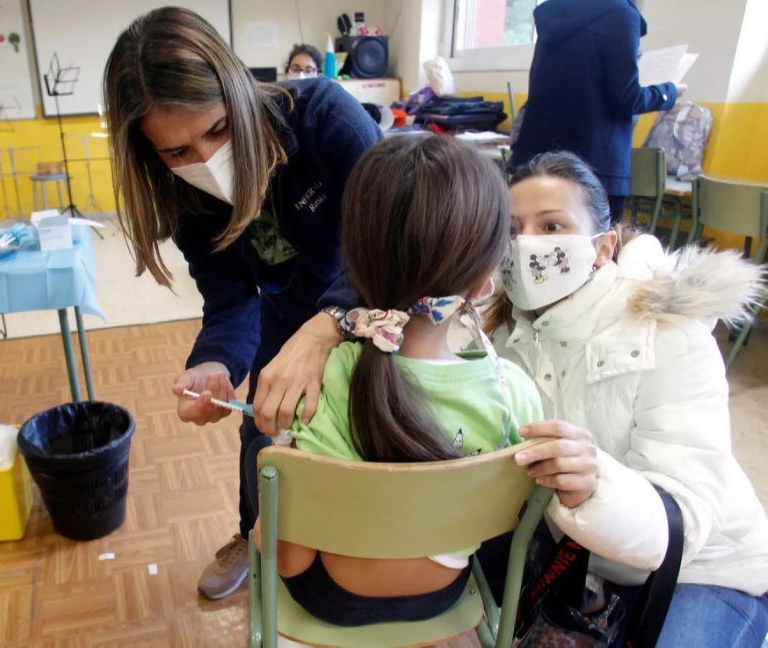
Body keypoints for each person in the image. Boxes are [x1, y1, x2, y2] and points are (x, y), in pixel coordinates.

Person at [103, 7, 381, 599]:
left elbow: (388, 242)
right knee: (262, 433)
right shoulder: (183, 197)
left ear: (237, 93)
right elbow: (229, 298)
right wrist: (216, 365)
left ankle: (372, 551)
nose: (202, 160)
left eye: (217, 129)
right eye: (175, 152)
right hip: (287, 312)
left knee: (371, 427)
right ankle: (254, 533)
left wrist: (329, 326)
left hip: (373, 302)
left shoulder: (323, 116)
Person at [252, 134, 545, 626]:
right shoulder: (511, 392)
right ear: (482, 282)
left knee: (264, 469)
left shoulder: (328, 381)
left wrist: (272, 484)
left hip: (334, 599)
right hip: (445, 594)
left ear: (355, 268)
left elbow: (288, 559)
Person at [486, 151, 768, 645]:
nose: (526, 244)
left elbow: (688, 516)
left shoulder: (667, 332)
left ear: (603, 246)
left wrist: (596, 484)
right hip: (584, 561)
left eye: (551, 227)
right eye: (512, 229)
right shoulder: (502, 337)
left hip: (705, 568)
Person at [509, 0, 685, 225]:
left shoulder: (553, 13)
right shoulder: (621, 15)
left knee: (527, 242)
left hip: (538, 158)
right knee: (596, 252)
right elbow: (625, 98)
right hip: (596, 164)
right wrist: (668, 92)